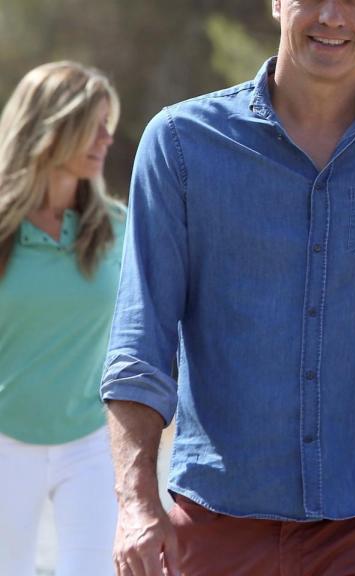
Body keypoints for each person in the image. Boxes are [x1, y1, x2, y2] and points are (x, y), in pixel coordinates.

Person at [100, 1, 355, 575]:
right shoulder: (182, 145)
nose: (333, 17)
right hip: (218, 518)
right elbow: (140, 346)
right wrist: (136, 503)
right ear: (278, 2)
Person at [0, 61, 123, 576]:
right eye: (92, 124)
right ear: (48, 125)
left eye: (108, 125)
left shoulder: (117, 228)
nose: (106, 138)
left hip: (90, 441)